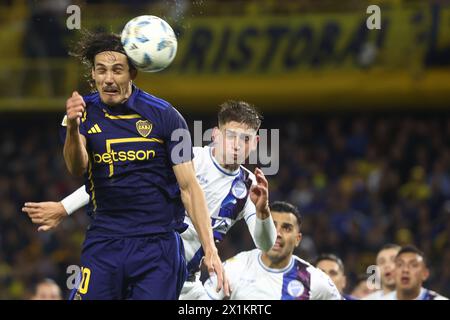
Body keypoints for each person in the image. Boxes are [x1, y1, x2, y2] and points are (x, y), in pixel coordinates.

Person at [29, 31, 224, 300]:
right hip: (105, 241)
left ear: (132, 73)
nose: (108, 79)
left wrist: (210, 250)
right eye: (101, 71)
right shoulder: (80, 113)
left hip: (158, 247)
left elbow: (189, 188)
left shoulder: (167, 117)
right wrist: (73, 128)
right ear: (93, 75)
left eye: (117, 70)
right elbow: (77, 167)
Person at [23, 98, 277, 299]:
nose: (236, 145)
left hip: (186, 285)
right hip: (144, 265)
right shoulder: (187, 159)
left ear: (254, 143)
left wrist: (263, 210)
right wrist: (64, 207)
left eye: (244, 139)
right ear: (216, 135)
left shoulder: (250, 187)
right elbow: (120, 180)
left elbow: (266, 246)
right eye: (230, 135)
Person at [201, 201, 342, 300]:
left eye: (286, 228)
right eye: (272, 225)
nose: (278, 233)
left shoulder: (314, 280)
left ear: (298, 239)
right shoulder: (235, 267)